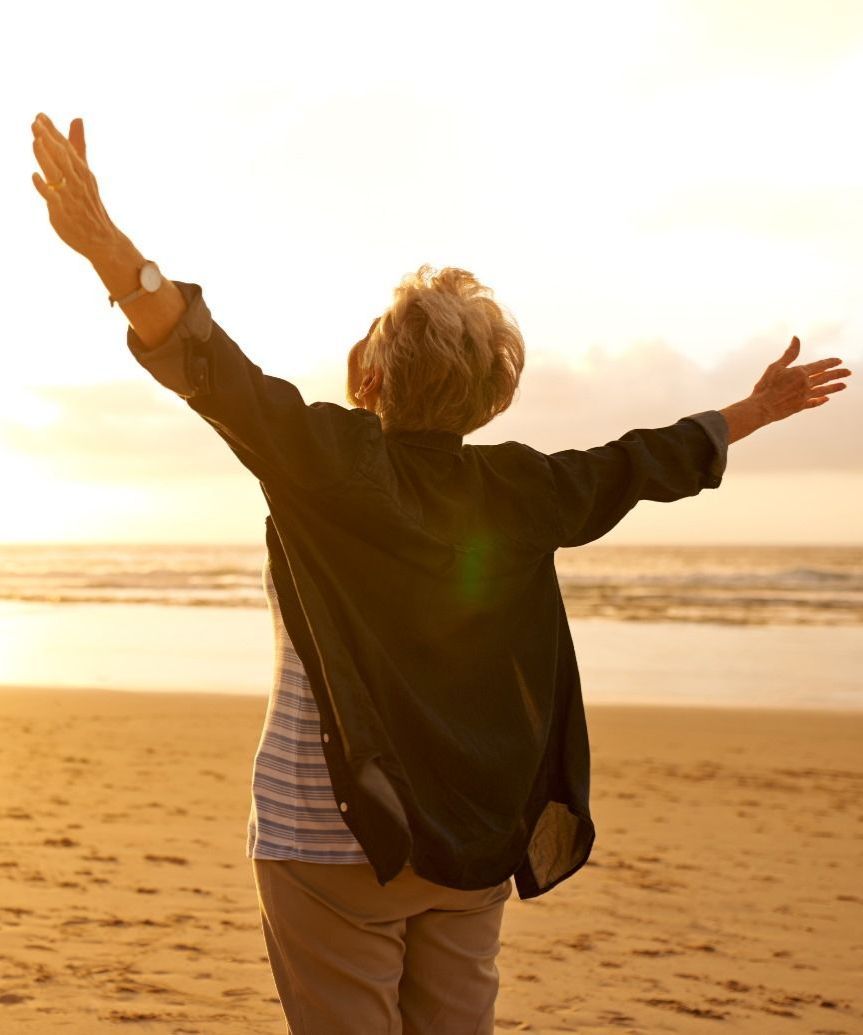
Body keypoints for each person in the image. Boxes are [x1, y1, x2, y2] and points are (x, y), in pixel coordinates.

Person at [31, 111, 852, 1035]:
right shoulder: (524, 487)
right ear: (493, 395)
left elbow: (202, 360)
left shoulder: (323, 457)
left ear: (370, 379)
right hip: (468, 839)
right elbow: (636, 462)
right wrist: (750, 409)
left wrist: (108, 250)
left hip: (327, 838)